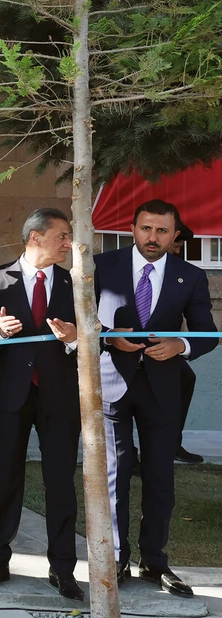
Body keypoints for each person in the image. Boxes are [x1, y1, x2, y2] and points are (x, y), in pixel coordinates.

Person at [96, 198, 216, 597]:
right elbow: (83, 318)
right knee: (115, 476)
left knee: (160, 478)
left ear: (174, 234)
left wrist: (180, 345)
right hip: (113, 382)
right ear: (133, 228)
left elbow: (207, 331)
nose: (153, 237)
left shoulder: (191, 276)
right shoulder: (102, 266)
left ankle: (154, 562)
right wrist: (108, 337)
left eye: (162, 230)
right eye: (146, 228)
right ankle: (116, 557)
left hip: (164, 389)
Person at [0, 208, 83, 601]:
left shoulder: (78, 283)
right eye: (62, 236)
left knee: (60, 482)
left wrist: (73, 338)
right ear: (35, 237)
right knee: (4, 479)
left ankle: (64, 568)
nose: (69, 244)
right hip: (8, 393)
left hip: (59, 395)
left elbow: (92, 340)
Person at [167, 221, 204, 465]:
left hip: (169, 348)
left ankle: (172, 444)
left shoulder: (184, 273)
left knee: (185, 380)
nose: (178, 251)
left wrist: (180, 344)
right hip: (125, 347)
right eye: (177, 245)